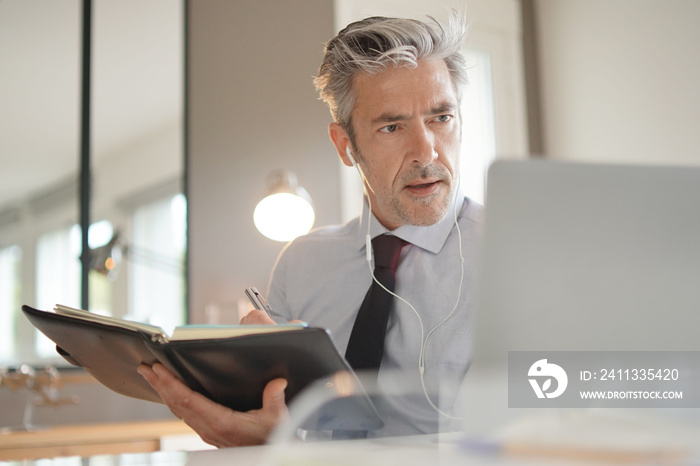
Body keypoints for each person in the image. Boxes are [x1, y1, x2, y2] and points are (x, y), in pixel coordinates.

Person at [138, 13, 483, 447]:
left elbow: (555, 435)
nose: (426, 150)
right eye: (392, 126)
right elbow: (274, 423)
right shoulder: (302, 264)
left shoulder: (523, 257)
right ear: (345, 145)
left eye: (441, 118)